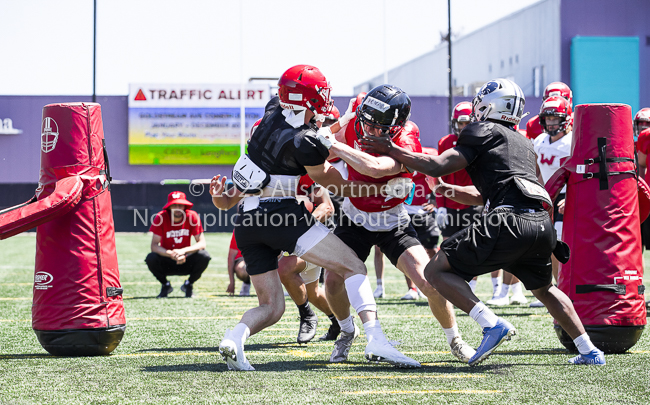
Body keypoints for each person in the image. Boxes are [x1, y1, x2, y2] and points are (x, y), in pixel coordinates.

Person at [361, 78, 606, 367]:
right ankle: (590, 350)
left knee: (435, 271)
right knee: (545, 289)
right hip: (540, 224)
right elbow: (488, 194)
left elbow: (437, 165)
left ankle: (490, 323)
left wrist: (390, 149)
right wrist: (447, 191)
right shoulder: (524, 143)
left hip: (509, 219)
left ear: (488, 104)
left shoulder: (481, 130)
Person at [210, 64, 419, 371]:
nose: (325, 99)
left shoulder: (270, 114)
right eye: (321, 93)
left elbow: (305, 135)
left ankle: (234, 337)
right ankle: (375, 338)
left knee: (271, 307)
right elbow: (335, 182)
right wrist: (382, 188)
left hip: (247, 221)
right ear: (309, 98)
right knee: (353, 265)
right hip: (280, 216)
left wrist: (343, 121)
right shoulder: (305, 142)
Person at [317, 84, 476, 363]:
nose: (370, 131)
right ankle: (345, 331)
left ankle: (456, 340)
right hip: (355, 217)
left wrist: (337, 144)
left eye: (379, 127)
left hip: (392, 220)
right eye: (366, 122)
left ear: (396, 125)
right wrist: (335, 133)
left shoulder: (407, 136)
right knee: (331, 280)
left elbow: (375, 168)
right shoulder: (355, 124)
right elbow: (322, 155)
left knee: (430, 283)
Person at [438, 102, 503, 302]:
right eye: (460, 123)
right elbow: (440, 175)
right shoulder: (445, 141)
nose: (463, 127)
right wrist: (440, 205)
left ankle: (493, 290)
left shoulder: (482, 142)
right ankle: (455, 287)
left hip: (475, 202)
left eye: (467, 122)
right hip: (451, 204)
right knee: (448, 247)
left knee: (479, 247)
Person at [277, 174, 341, 343]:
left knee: (285, 269)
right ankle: (340, 322)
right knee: (311, 293)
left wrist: (302, 228)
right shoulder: (268, 173)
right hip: (293, 241)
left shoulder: (306, 171)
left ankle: (307, 316)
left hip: (319, 237)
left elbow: (327, 207)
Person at [527, 95, 574, 308]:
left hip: (567, 195)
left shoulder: (574, 141)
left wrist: (573, 196)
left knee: (565, 245)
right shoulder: (539, 141)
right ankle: (556, 289)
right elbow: (538, 172)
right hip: (547, 197)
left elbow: (579, 173)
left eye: (556, 118)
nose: (551, 123)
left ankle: (568, 288)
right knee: (548, 245)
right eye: (548, 118)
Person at [145, 191, 211, 298]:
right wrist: (171, 254)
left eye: (180, 205)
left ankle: (189, 284)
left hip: (186, 260)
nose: (178, 208)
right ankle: (165, 284)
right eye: (174, 205)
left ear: (184, 206)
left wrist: (183, 251)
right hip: (168, 259)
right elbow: (154, 246)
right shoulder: (160, 217)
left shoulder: (192, 216)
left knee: (204, 256)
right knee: (151, 258)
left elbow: (202, 243)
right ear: (169, 207)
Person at [227, 230, 251, 296]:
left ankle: (277, 287)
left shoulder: (266, 227)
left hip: (262, 257)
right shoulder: (239, 230)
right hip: (244, 258)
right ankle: (246, 283)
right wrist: (232, 282)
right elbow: (231, 256)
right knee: (242, 269)